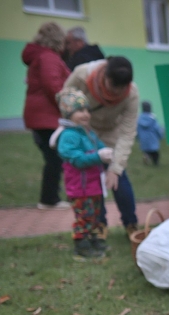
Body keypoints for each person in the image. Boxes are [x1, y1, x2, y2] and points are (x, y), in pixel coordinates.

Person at [64, 56, 140, 242]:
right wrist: (75, 133)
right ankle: (99, 225)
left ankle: (131, 224)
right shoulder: (82, 76)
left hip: (110, 135)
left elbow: (128, 132)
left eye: (120, 90)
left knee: (119, 179)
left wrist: (115, 167)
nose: (115, 93)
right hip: (84, 133)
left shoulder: (131, 94)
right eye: (112, 86)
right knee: (91, 182)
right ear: (104, 74)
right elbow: (65, 100)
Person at [51, 89, 114, 260]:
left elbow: (99, 146)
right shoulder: (68, 136)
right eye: (79, 110)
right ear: (67, 113)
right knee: (84, 216)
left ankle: (93, 239)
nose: (85, 114)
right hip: (80, 187)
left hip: (93, 185)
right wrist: (98, 157)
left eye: (87, 109)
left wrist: (107, 153)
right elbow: (78, 160)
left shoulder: (87, 132)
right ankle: (81, 245)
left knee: (94, 214)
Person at [22, 22, 71, 210]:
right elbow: (53, 87)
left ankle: (50, 197)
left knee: (54, 157)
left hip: (41, 114)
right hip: (47, 116)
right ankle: (49, 199)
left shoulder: (42, 56)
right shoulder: (49, 57)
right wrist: (68, 106)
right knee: (54, 158)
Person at [137, 101, 164, 166]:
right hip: (152, 139)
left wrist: (138, 137)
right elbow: (157, 128)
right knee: (155, 153)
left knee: (147, 151)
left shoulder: (139, 119)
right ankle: (156, 163)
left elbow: (137, 130)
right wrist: (161, 136)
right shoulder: (153, 118)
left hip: (143, 139)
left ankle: (146, 156)